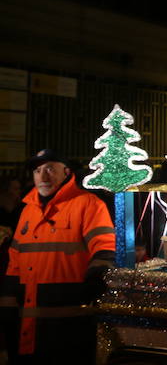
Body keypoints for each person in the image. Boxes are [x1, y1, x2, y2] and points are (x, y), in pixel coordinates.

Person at [1, 149, 115, 364]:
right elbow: (15, 261)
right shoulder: (28, 210)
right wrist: (7, 307)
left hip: (70, 326)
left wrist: (95, 279)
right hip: (28, 328)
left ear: (66, 172)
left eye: (50, 169)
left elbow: (104, 247)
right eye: (37, 170)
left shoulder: (88, 204)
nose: (43, 176)